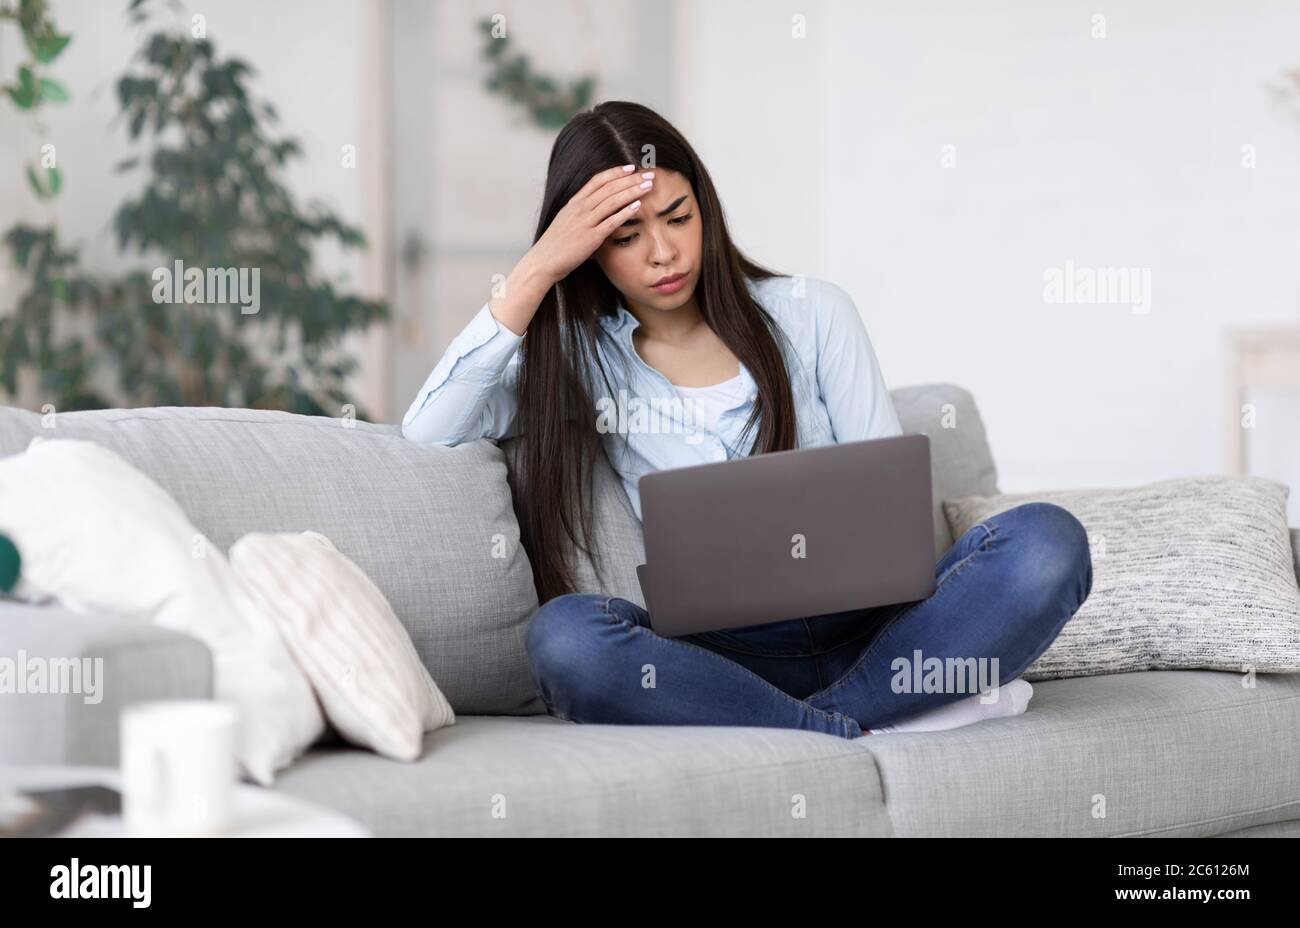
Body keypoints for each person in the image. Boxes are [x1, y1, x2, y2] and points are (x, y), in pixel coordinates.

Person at [402, 101, 1093, 739]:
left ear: (706, 208)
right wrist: (535, 270)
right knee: (565, 638)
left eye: (677, 217)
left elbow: (890, 513)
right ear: (586, 252)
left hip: (881, 636)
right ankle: (856, 725)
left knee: (1047, 543)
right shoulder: (576, 363)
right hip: (722, 663)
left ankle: (812, 725)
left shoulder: (812, 312)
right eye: (624, 236)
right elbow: (430, 427)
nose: (663, 254)